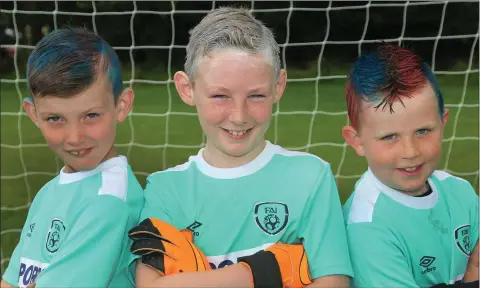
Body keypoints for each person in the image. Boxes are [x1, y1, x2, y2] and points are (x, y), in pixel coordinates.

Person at [130, 6, 353, 288]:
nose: (239, 115)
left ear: (278, 86)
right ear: (187, 89)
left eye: (256, 95)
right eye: (220, 96)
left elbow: (334, 282)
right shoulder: (165, 189)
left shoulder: (310, 176)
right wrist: (259, 273)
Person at [1, 27, 143, 288]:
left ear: (121, 105)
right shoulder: (50, 192)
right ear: (33, 114)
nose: (75, 137)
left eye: (91, 116)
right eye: (55, 118)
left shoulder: (109, 203)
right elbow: (11, 280)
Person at [341, 43, 479, 287]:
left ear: (443, 122)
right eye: (389, 137)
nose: (410, 151)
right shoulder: (366, 225)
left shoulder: (461, 192)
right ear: (356, 141)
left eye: (423, 131)